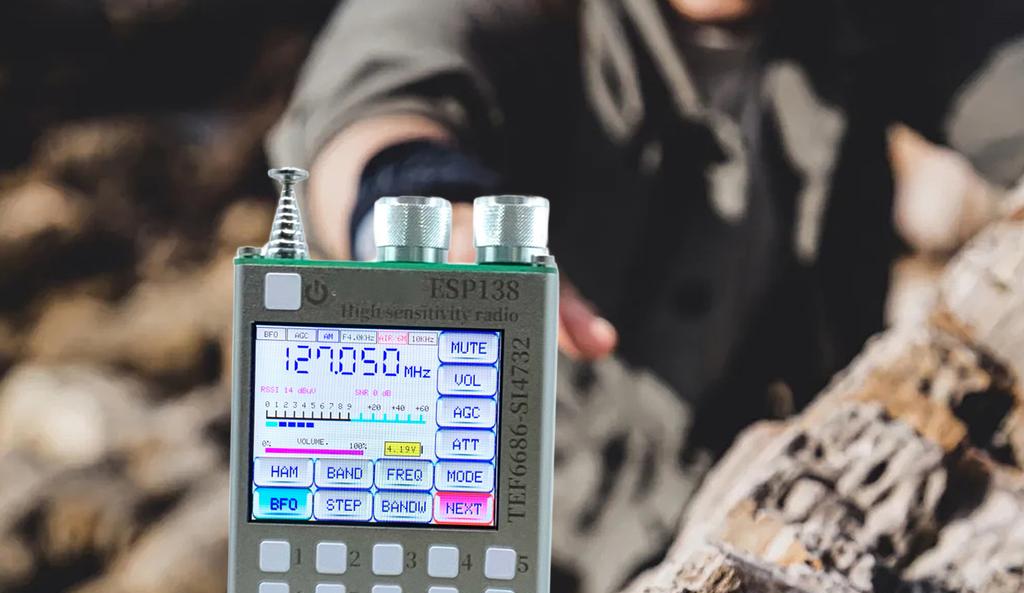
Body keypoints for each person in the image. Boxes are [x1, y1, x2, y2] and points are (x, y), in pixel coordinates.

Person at [269, 0, 1024, 453]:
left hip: (776, 494)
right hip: (528, 522)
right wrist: (427, 219)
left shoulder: (885, 19)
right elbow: (374, 104)